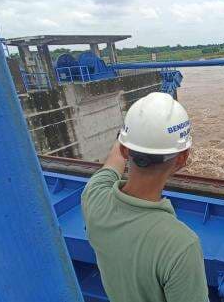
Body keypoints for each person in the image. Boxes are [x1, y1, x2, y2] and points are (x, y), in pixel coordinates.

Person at [81, 92, 209, 302]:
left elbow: (111, 164)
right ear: (182, 159)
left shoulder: (94, 196)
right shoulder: (180, 246)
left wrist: (132, 133)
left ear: (124, 149)